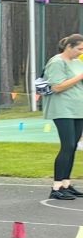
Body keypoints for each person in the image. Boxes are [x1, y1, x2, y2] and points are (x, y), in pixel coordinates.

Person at [39, 34, 83, 200]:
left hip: (78, 108)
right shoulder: (57, 62)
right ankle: (56, 187)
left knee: (73, 146)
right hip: (63, 109)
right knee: (67, 145)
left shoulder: (77, 62)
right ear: (69, 46)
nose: (81, 52)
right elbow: (57, 87)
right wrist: (80, 77)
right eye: (79, 49)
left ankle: (66, 184)